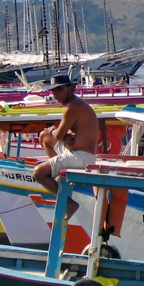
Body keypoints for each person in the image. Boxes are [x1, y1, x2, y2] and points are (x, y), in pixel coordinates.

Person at [32, 74, 99, 218]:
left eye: (59, 89)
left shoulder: (73, 106)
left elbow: (57, 135)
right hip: (75, 152)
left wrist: (59, 132)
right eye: (53, 91)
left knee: (38, 173)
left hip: (81, 157)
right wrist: (62, 133)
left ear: (71, 88)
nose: (55, 94)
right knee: (44, 135)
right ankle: (57, 171)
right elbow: (59, 135)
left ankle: (69, 203)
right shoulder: (74, 104)